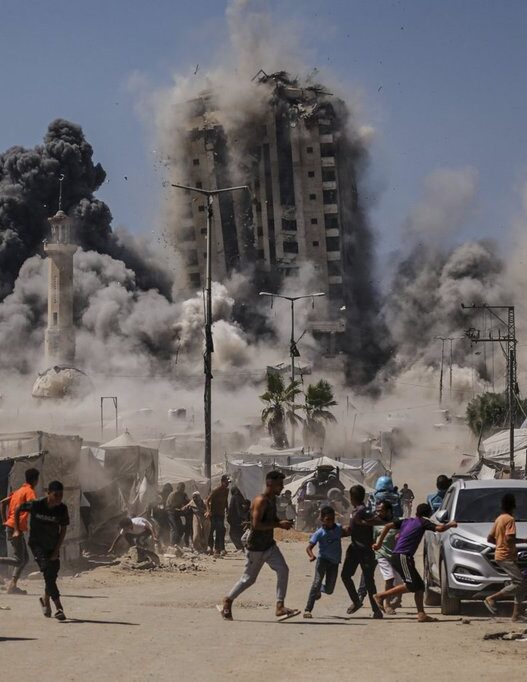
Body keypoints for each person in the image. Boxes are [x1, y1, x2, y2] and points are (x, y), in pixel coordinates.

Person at [219, 470, 298, 621]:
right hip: (256, 547)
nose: (282, 487)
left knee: (283, 570)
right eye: (279, 484)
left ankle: (280, 606)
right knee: (248, 579)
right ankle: (228, 600)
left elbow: (271, 519)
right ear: (270, 484)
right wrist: (278, 525)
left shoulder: (272, 500)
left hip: (269, 545)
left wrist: (282, 522)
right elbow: (256, 525)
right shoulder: (260, 501)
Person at [373, 502, 457, 622]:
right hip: (402, 556)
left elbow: (387, 526)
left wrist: (378, 544)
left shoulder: (407, 521)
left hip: (401, 556)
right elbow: (440, 528)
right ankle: (381, 596)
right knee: (412, 585)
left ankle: (421, 614)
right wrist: (451, 524)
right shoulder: (424, 521)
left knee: (419, 586)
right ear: (428, 514)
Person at [15, 480, 69, 621]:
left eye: (61, 495)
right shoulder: (36, 504)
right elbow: (18, 508)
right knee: (47, 571)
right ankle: (59, 607)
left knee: (53, 572)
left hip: (52, 544)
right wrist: (16, 529)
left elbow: (63, 530)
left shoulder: (62, 509)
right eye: (56, 495)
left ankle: (45, 599)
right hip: (37, 544)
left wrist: (56, 549)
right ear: (48, 493)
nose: (58, 498)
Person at [341, 484, 384, 619]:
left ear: (352, 497)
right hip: (356, 548)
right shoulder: (357, 511)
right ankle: (360, 603)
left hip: (364, 549)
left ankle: (373, 608)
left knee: (365, 579)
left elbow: (376, 521)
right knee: (348, 576)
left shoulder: (362, 511)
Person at [484, 493, 527, 621]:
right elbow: (509, 538)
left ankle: (516, 614)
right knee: (519, 582)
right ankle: (491, 598)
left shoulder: (499, 519)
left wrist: (499, 544)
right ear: (513, 506)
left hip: (501, 555)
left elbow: (489, 538)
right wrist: (524, 540)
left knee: (522, 584)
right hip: (506, 556)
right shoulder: (509, 520)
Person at [304, 506, 351, 618]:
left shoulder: (338, 528)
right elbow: (309, 548)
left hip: (334, 563)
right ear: (322, 519)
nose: (330, 522)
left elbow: (346, 532)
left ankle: (319, 589)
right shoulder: (319, 533)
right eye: (327, 519)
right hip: (322, 561)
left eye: (332, 519)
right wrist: (312, 556)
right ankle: (308, 609)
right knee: (316, 582)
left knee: (329, 590)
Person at [0, 467, 40, 594]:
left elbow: (2, 503)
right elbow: (34, 503)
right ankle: (12, 585)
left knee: (25, 559)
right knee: (19, 560)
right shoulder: (29, 491)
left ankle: (12, 586)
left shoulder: (18, 491)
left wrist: (4, 520)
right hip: (15, 528)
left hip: (13, 527)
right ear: (35, 480)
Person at [373, 500, 403, 614]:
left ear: (389, 511)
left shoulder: (398, 522)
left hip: (396, 555)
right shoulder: (376, 524)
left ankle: (397, 600)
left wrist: (400, 535)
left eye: (381, 511)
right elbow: (373, 539)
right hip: (382, 554)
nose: (378, 513)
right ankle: (387, 604)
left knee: (400, 582)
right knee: (389, 578)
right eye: (377, 511)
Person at [207, 474, 230, 556]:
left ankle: (218, 549)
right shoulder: (216, 490)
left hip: (221, 513)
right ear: (222, 482)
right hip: (214, 513)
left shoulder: (227, 490)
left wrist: (227, 508)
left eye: (228, 483)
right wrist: (208, 511)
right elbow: (208, 500)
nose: (227, 484)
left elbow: (225, 500)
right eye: (226, 482)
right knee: (212, 530)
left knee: (220, 530)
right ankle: (210, 547)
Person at [166, 482, 191, 547]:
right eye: (181, 488)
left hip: (177, 512)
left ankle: (177, 543)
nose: (182, 490)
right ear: (177, 488)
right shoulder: (173, 495)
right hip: (171, 512)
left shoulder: (184, 494)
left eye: (183, 488)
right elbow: (170, 506)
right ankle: (172, 544)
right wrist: (179, 509)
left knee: (181, 529)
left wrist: (187, 506)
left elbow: (188, 501)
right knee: (174, 528)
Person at [227, 486, 250, 550]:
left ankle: (240, 547)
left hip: (235, 520)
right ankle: (243, 547)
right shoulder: (241, 497)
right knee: (242, 534)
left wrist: (229, 518)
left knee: (232, 534)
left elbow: (232, 508)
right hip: (242, 520)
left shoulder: (234, 498)